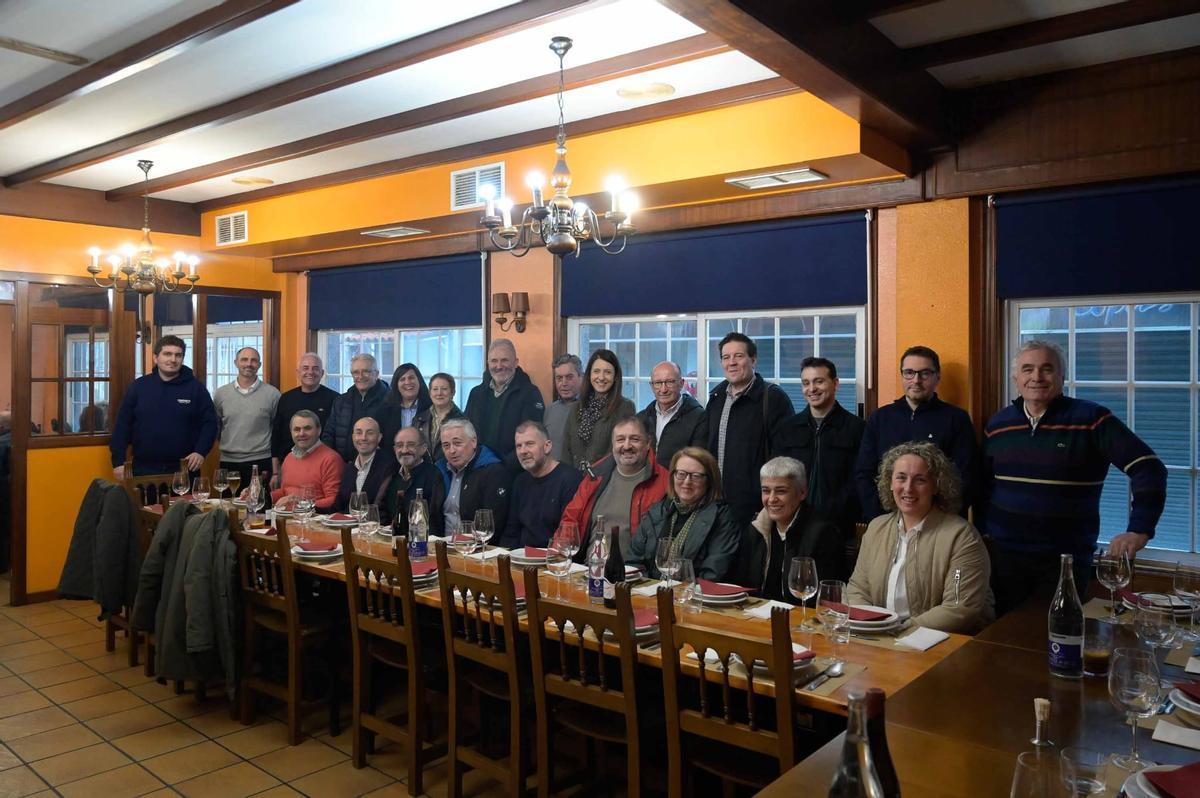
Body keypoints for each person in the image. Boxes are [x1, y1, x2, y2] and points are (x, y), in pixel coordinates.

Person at [979, 340, 1167, 614]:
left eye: (1047, 369)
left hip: (1065, 562)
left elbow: (1148, 468)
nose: (1036, 377)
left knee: (1059, 643)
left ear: (1062, 377)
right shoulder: (998, 425)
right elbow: (985, 485)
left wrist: (1139, 529)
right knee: (1004, 642)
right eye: (1027, 369)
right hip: (1004, 560)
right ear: (1015, 378)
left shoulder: (1092, 419)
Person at [847, 442, 994, 635]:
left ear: (936, 486)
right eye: (901, 478)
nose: (908, 488)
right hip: (880, 637)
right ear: (890, 483)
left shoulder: (961, 537)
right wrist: (871, 626)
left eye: (920, 480)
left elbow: (959, 607)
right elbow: (858, 589)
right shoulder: (876, 529)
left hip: (941, 644)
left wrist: (899, 630)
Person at [854, 346, 977, 521]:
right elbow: (864, 473)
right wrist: (881, 518)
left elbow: (966, 477)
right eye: (909, 373)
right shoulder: (880, 418)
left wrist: (939, 518)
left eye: (925, 373)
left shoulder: (957, 419)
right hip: (887, 521)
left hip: (939, 524)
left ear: (937, 376)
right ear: (902, 375)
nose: (916, 380)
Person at [703, 332, 794, 524]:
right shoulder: (716, 398)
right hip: (715, 504)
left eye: (739, 356)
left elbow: (783, 457)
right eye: (726, 357)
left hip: (755, 509)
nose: (732, 362)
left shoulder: (773, 399)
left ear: (753, 360)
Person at [777, 357, 865, 543]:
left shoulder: (857, 428)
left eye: (819, 381)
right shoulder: (788, 428)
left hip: (840, 527)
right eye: (806, 383)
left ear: (835, 384)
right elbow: (779, 475)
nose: (812, 389)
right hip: (794, 523)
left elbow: (861, 479)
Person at [557, 416, 669, 561]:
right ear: (613, 444)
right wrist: (560, 557)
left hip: (638, 576)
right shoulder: (594, 476)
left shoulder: (666, 482)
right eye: (620, 440)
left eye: (635, 439)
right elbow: (570, 519)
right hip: (588, 572)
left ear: (648, 443)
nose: (627, 446)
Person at [732, 457, 844, 600]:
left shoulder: (823, 533)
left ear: (802, 493)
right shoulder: (756, 528)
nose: (771, 499)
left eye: (781, 491)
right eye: (766, 491)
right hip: (756, 615)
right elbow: (742, 584)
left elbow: (827, 596)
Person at [110, 335, 216, 479]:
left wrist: (200, 451)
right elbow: (122, 426)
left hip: (185, 468)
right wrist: (118, 462)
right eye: (167, 354)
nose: (173, 360)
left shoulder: (196, 389)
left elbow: (210, 424)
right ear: (155, 358)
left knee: (186, 503)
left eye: (178, 355)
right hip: (143, 468)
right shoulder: (139, 387)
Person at [628, 447, 740, 581]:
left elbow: (714, 574)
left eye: (696, 476)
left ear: (709, 481)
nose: (687, 482)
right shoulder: (658, 510)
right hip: (650, 594)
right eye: (681, 474)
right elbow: (634, 561)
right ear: (673, 476)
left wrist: (679, 592)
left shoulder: (722, 518)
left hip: (693, 597)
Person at [501, 421, 582, 549]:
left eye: (529, 444)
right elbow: (511, 531)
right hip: (521, 559)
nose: (523, 451)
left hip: (555, 561)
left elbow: (569, 534)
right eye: (518, 446)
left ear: (547, 446)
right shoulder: (520, 481)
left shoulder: (570, 479)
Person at [464, 338, 545, 462]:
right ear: (488, 363)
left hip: (513, 471)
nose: (499, 366)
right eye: (494, 361)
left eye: (504, 360)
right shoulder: (476, 394)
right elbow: (467, 432)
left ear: (516, 362)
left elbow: (531, 439)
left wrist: (503, 468)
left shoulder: (530, 393)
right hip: (478, 468)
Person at [213, 346, 280, 492]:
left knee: (259, 508)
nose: (249, 364)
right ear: (236, 362)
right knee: (228, 509)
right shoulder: (221, 394)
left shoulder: (273, 394)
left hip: (261, 462)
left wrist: (276, 471)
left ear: (259, 365)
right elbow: (217, 427)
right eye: (244, 359)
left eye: (254, 360)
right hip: (228, 462)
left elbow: (276, 430)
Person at [271, 353, 338, 489]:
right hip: (288, 465)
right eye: (305, 368)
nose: (310, 372)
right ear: (298, 372)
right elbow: (276, 436)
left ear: (322, 372)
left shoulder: (335, 399)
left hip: (321, 467)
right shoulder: (286, 398)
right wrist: (275, 472)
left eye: (315, 368)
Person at [435, 418, 513, 534]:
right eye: (446, 445)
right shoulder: (441, 470)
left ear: (473, 442)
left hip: (476, 547)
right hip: (441, 546)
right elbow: (433, 518)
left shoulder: (492, 471)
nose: (451, 450)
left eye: (457, 443)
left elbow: (492, 524)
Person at [563, 349, 636, 470]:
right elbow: (566, 448)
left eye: (607, 372)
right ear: (589, 374)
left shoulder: (625, 407)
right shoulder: (577, 406)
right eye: (596, 371)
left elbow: (620, 451)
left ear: (615, 377)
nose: (601, 377)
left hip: (604, 480)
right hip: (575, 480)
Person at [637, 361, 706, 468]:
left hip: (678, 483)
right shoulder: (641, 418)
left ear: (681, 383)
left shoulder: (699, 417)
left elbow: (698, 462)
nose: (663, 389)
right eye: (658, 383)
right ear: (651, 385)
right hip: (645, 482)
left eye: (669, 382)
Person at [324, 353, 390, 462]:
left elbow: (392, 440)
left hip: (378, 468)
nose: (360, 376)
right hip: (343, 466)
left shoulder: (390, 401)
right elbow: (329, 435)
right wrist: (332, 462)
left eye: (366, 371)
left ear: (376, 374)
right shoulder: (340, 402)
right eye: (356, 372)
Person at [271, 410, 342, 511]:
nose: (301, 433)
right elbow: (285, 491)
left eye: (307, 428)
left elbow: (334, 500)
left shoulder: (331, 459)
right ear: (291, 432)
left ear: (319, 430)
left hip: (315, 520)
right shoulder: (289, 458)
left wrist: (300, 505)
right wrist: (259, 496)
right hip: (287, 517)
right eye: (296, 429)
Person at [379, 427, 445, 532]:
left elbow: (434, 520)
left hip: (420, 543)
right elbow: (381, 511)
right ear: (394, 449)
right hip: (389, 539)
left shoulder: (433, 475)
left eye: (411, 445)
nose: (404, 450)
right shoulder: (391, 474)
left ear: (423, 448)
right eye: (399, 445)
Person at [334, 417, 395, 513]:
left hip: (375, 525)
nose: (363, 438)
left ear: (379, 438)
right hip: (347, 525)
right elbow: (337, 507)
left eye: (370, 433)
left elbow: (384, 510)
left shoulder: (389, 467)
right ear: (353, 437)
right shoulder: (348, 468)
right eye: (359, 433)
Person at [413, 372, 464, 464]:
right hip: (424, 472)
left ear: (453, 392)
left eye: (444, 389)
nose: (439, 393)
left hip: (450, 472)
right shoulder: (419, 419)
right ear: (430, 393)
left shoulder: (462, 421)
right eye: (435, 389)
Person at [544, 354, 582, 461]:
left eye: (569, 377)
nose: (564, 383)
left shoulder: (592, 409)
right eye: (559, 378)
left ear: (580, 377)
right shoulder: (549, 411)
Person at [383, 362, 432, 439]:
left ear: (419, 381)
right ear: (396, 385)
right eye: (402, 379)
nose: (407, 382)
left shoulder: (431, 407)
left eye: (411, 378)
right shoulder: (386, 410)